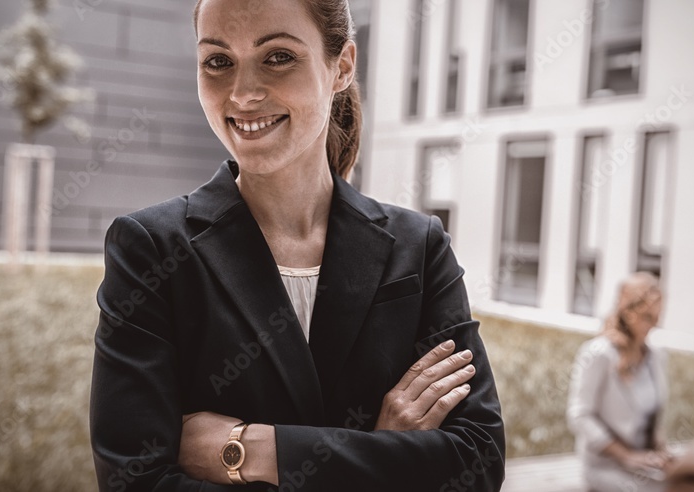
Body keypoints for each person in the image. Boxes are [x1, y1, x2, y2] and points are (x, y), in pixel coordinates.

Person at [88, 0, 505, 490]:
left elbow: (477, 462)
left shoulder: (419, 247)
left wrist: (251, 449)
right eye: (218, 62)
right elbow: (134, 482)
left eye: (278, 56)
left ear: (342, 66)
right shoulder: (152, 250)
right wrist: (383, 450)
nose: (243, 95)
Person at [567, 272, 672, 492]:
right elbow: (580, 415)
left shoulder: (656, 357)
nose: (654, 325)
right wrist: (627, 456)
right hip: (606, 467)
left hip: (644, 464)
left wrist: (661, 450)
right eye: (647, 317)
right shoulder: (598, 354)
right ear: (628, 312)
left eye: (657, 317)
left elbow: (651, 418)